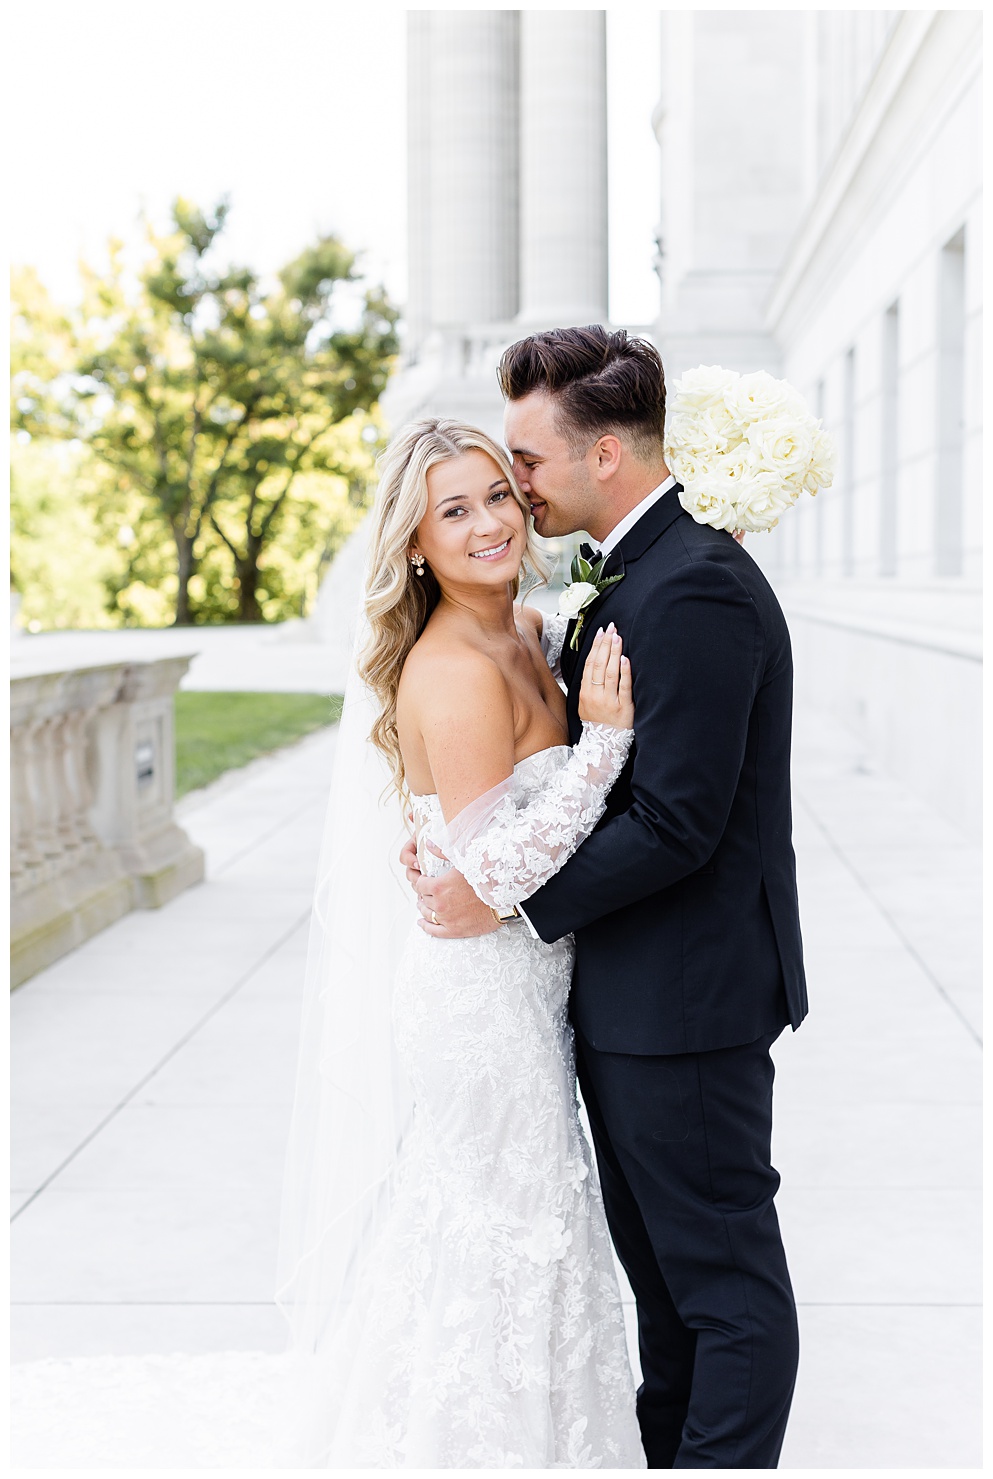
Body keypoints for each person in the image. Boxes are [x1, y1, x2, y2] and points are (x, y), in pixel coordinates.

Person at [402, 327, 805, 1468]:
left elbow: (677, 824)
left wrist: (504, 900)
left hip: (687, 1003)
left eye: (524, 462)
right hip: (625, 998)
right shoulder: (629, 576)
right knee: (667, 1295)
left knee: (722, 1293)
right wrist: (456, 847)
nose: (514, 492)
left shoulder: (697, 590)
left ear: (609, 454)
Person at [278, 417, 647, 1468]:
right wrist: (603, 747)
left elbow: (473, 850)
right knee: (502, 1227)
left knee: (528, 1225)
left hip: (528, 982)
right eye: (454, 510)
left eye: (496, 493)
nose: (489, 523)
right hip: (480, 999)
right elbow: (493, 873)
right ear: (413, 543)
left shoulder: (526, 631)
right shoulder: (451, 666)